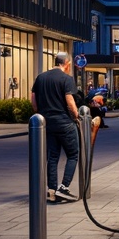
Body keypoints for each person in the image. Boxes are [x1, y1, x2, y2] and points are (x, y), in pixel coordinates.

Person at [30, 52, 81, 203]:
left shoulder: (41, 77)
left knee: (52, 157)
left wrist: (41, 114)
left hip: (47, 123)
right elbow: (70, 101)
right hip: (64, 122)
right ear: (66, 63)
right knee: (73, 154)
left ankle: (51, 190)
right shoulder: (66, 79)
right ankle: (64, 187)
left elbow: (33, 101)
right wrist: (76, 116)